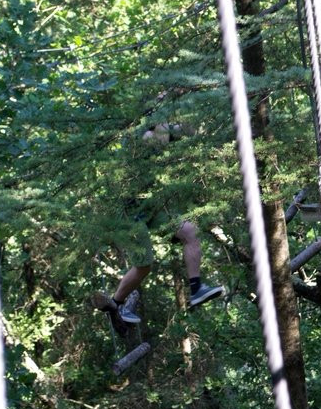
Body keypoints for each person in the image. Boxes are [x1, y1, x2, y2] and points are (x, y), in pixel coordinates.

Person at [93, 122, 224, 331]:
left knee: (190, 231)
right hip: (128, 213)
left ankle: (196, 288)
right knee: (144, 266)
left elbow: (191, 131)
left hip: (150, 206)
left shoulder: (168, 129)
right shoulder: (144, 137)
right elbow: (162, 135)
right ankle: (116, 305)